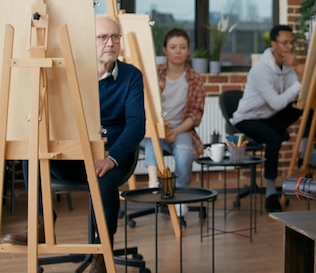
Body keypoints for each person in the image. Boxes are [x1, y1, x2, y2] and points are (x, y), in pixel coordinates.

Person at [2, 16, 146, 273]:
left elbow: (136, 125)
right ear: (89, 42)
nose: (110, 43)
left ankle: (101, 252)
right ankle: (41, 223)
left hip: (110, 156)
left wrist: (111, 158)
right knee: (30, 152)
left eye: (115, 37)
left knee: (103, 180)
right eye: (103, 37)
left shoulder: (131, 76)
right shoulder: (72, 73)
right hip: (73, 154)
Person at [231, 24, 304, 212]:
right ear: (274, 44)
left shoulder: (287, 68)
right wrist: (300, 79)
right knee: (274, 138)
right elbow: (278, 103)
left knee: (304, 108)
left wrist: (296, 71)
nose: (289, 47)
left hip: (269, 117)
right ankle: (271, 192)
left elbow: (295, 95)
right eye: (284, 43)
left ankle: (281, 136)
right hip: (248, 118)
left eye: (291, 43)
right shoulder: (261, 70)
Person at [140, 28, 205, 218]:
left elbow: (196, 115)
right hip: (153, 127)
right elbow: (142, 105)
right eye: (173, 47)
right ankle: (153, 184)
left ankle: (181, 196)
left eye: (183, 47)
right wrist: (157, 92)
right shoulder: (154, 74)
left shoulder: (194, 79)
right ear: (165, 50)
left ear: (188, 51)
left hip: (180, 128)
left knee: (185, 152)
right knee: (153, 137)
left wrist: (175, 132)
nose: (178, 51)